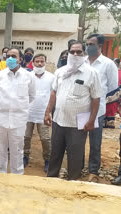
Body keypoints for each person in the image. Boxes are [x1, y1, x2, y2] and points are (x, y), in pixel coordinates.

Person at [44, 41, 102, 180]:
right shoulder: (60, 71)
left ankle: (73, 184)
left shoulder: (92, 73)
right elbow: (54, 93)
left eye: (79, 52)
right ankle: (50, 181)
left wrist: (91, 121)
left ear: (84, 53)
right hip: (59, 120)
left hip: (78, 124)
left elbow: (96, 99)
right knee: (55, 154)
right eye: (72, 52)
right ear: (68, 53)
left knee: (75, 156)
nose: (75, 54)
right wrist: (47, 112)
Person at [0, 47, 36, 174]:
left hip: (18, 121)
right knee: (0, 149)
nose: (10, 58)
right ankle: (1, 173)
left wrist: (19, 106)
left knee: (17, 150)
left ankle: (17, 175)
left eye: (14, 56)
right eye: (8, 56)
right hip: (0, 119)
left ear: (20, 59)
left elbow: (32, 96)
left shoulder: (28, 77)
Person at [85, 34, 119, 182]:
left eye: (91, 44)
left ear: (99, 46)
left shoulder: (108, 64)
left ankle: (93, 171)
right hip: (80, 108)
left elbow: (112, 88)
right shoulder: (83, 62)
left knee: (95, 141)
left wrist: (99, 102)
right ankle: (77, 166)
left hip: (97, 111)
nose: (88, 47)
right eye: (87, 44)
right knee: (78, 140)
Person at [24, 54, 55, 172]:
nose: (39, 64)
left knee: (46, 138)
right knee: (26, 136)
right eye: (37, 61)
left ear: (45, 63)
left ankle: (47, 160)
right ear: (33, 63)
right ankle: (25, 156)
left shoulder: (51, 77)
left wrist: (50, 111)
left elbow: (54, 94)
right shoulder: (28, 76)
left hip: (44, 113)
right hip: (28, 112)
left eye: (42, 61)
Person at [104, 58, 121, 128]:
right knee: (107, 107)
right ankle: (105, 122)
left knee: (112, 107)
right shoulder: (113, 72)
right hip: (109, 91)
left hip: (116, 93)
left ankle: (110, 123)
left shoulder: (118, 72)